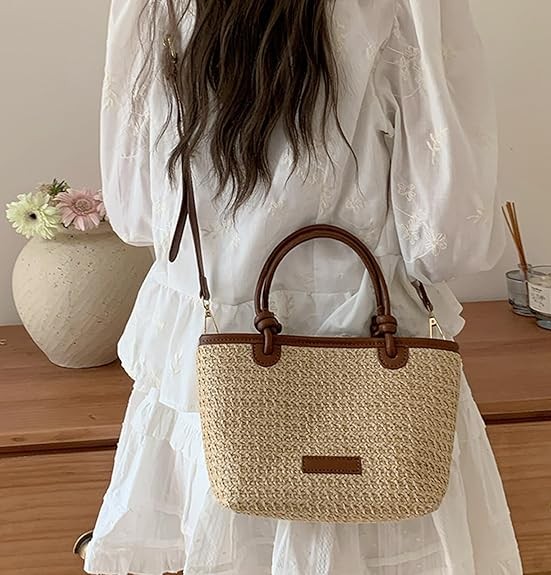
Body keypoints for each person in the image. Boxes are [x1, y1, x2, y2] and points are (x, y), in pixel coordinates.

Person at [85, 0, 523, 573]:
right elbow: (445, 242)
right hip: (374, 347)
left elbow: (138, 214)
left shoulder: (157, 6)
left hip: (212, 348)